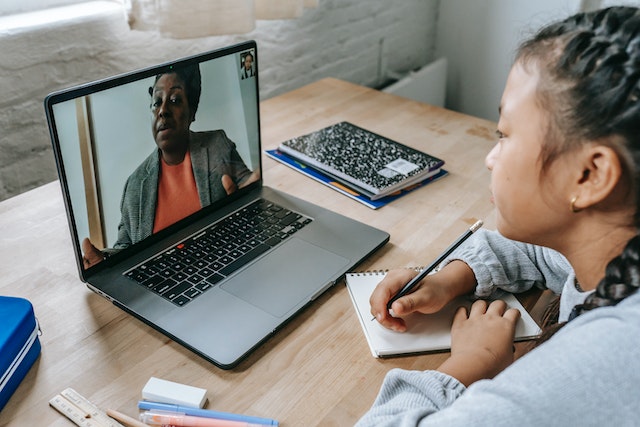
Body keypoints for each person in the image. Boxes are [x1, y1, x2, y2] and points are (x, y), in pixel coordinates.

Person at [357, 6, 640, 426]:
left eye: (504, 135)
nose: (491, 159)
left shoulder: (601, 363)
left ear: (590, 175)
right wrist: (450, 278)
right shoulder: (616, 248)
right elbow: (550, 256)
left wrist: (472, 363)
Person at [82, 63, 259, 267]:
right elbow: (125, 247)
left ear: (191, 112)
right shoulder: (135, 184)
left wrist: (252, 194)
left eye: (174, 100)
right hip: (161, 283)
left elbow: (246, 182)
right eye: (156, 102)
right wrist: (104, 260)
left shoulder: (217, 144)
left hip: (224, 263)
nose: (163, 111)